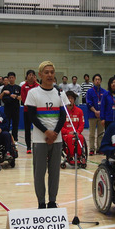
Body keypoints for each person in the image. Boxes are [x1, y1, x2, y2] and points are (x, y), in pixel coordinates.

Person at [25, 61, 68, 209]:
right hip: (40, 139)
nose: (49, 75)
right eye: (46, 72)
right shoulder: (33, 93)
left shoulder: (60, 93)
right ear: (40, 75)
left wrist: (55, 133)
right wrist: (46, 132)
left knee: (54, 172)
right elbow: (32, 117)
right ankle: (41, 202)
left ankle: (52, 201)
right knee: (39, 173)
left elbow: (63, 116)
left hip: (57, 139)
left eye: (51, 72)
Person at [61, 91, 85, 166]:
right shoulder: (62, 112)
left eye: (71, 98)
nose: (70, 100)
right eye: (68, 98)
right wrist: (67, 132)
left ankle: (79, 156)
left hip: (76, 133)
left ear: (74, 100)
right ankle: (70, 156)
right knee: (70, 137)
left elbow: (81, 124)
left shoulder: (79, 111)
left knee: (80, 137)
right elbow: (60, 126)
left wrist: (78, 131)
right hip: (66, 134)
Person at [86, 74, 106, 155]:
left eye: (99, 79)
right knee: (91, 133)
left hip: (101, 116)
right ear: (93, 81)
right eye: (96, 79)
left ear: (100, 81)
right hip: (92, 115)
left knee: (101, 133)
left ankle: (99, 148)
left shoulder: (104, 92)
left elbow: (105, 104)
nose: (97, 81)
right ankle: (91, 148)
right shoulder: (90, 91)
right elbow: (88, 103)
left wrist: (101, 112)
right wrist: (95, 111)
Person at [21, 69, 39, 154]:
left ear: (35, 77)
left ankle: (37, 145)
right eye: (29, 75)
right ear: (27, 76)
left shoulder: (38, 86)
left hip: (36, 111)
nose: (31, 76)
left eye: (32, 75)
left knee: (37, 128)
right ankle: (28, 147)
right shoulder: (24, 87)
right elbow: (24, 100)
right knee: (27, 129)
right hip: (27, 111)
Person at [0, 72, 21, 141]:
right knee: (7, 124)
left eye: (12, 77)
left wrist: (16, 96)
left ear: (15, 78)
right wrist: (4, 93)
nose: (11, 79)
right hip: (7, 108)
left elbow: (22, 97)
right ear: (8, 79)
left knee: (15, 124)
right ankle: (6, 138)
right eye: (10, 78)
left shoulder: (18, 88)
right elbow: (0, 97)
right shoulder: (5, 88)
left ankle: (15, 139)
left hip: (16, 109)